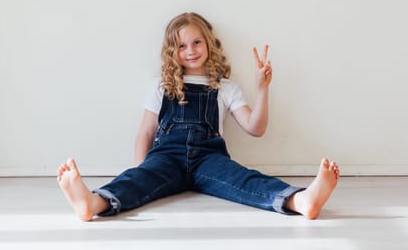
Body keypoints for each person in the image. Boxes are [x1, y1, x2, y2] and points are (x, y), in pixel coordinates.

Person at [57, 12, 340, 221]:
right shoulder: (161, 85)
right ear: (172, 52)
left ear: (208, 43)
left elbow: (256, 129)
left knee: (246, 181)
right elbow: (145, 133)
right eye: (181, 46)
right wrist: (140, 171)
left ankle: (300, 200)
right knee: (132, 184)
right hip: (165, 158)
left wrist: (262, 88)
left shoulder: (225, 86)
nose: (190, 51)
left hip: (209, 159)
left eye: (196, 42)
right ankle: (92, 203)